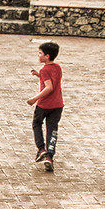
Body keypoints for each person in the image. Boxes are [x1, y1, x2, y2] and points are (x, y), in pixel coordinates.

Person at [28, 40, 64, 173]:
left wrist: (34, 99)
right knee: (52, 129)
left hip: (44, 105)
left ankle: (41, 149)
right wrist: (39, 75)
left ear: (47, 56)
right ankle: (49, 157)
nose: (38, 55)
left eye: (40, 53)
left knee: (36, 124)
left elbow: (49, 87)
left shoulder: (45, 70)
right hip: (58, 105)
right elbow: (51, 79)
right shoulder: (57, 67)